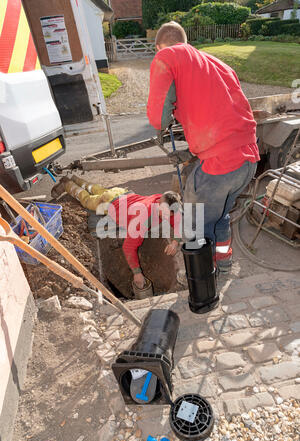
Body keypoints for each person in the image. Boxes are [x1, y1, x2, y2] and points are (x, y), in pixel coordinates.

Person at [147, 21, 260, 272]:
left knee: (196, 223)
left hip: (221, 164)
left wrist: (161, 125)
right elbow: (222, 117)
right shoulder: (216, 63)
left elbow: (158, 117)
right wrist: (193, 151)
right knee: (219, 215)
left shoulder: (167, 56)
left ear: (159, 46)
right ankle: (224, 262)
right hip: (247, 160)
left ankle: (204, 281)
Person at [51, 175, 182, 289]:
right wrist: (137, 273)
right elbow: (128, 247)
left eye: (169, 214)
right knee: (87, 200)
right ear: (159, 203)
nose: (167, 217)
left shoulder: (165, 201)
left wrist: (175, 242)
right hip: (110, 203)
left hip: (122, 193)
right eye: (164, 213)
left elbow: (177, 221)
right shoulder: (142, 220)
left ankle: (76, 179)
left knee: (97, 189)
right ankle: (67, 184)